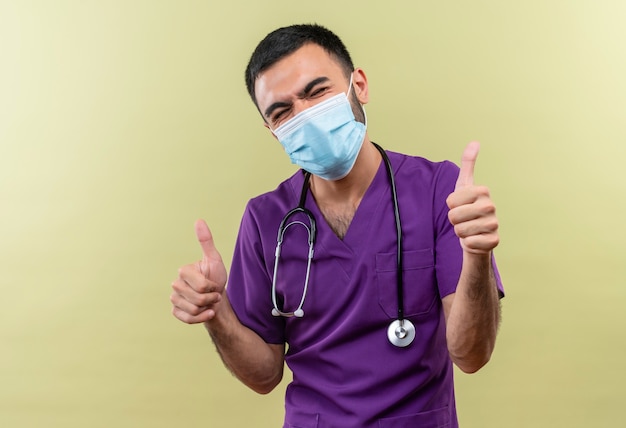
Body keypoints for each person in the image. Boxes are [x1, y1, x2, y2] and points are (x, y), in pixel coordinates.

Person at [170, 24, 504, 428]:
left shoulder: (438, 191)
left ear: (358, 85)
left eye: (316, 92)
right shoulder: (265, 220)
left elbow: (471, 354)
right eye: (282, 111)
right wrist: (216, 312)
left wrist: (477, 255)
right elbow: (263, 376)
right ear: (272, 130)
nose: (305, 116)